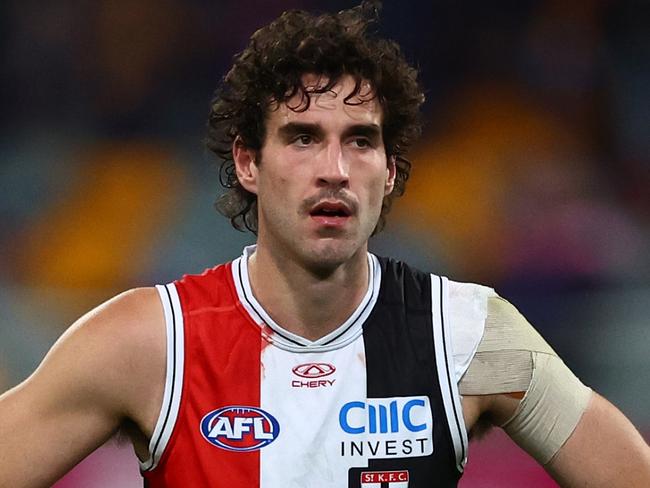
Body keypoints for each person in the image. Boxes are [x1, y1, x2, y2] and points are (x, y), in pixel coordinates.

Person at [1, 2, 649, 487]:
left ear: (390, 172)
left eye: (361, 140)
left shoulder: (474, 336)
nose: (335, 168)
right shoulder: (146, 344)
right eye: (303, 137)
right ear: (249, 164)